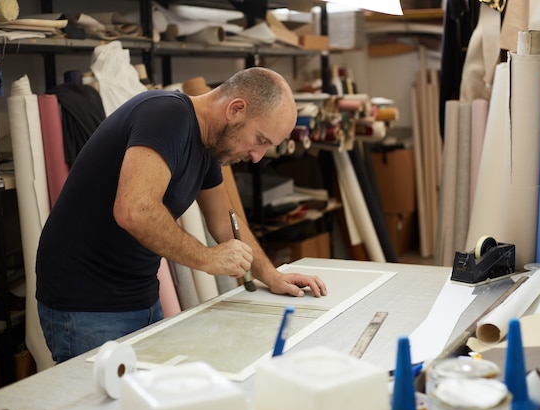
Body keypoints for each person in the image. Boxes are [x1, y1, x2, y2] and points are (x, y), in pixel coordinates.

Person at [35, 67, 328, 363]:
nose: (257, 156)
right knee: (104, 407)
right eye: (260, 140)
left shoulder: (209, 144)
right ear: (236, 109)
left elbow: (226, 221)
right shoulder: (166, 116)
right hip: (86, 303)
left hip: (139, 294)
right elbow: (134, 211)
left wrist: (271, 275)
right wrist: (207, 258)